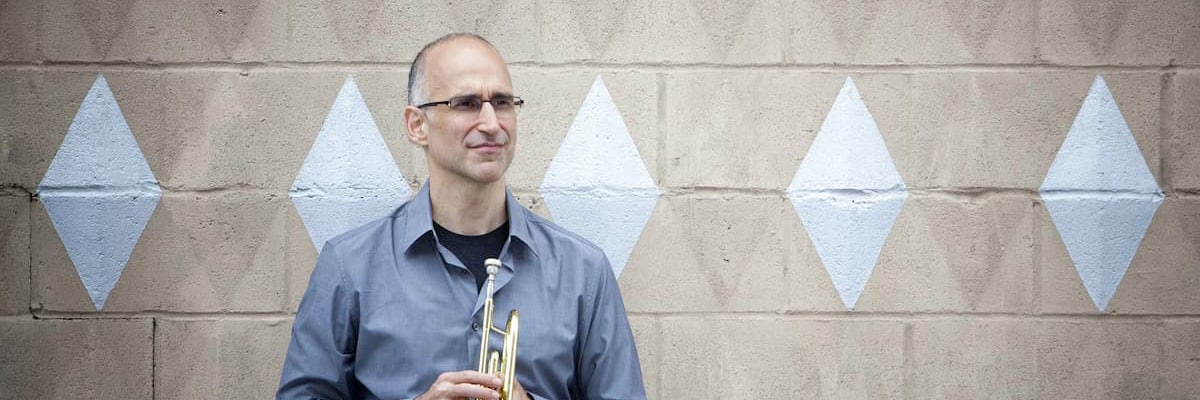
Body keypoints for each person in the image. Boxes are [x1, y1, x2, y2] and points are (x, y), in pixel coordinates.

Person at [277, 33, 646, 400]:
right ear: (416, 125)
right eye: (466, 104)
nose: (491, 123)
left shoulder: (584, 271)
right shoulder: (349, 266)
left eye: (502, 102)